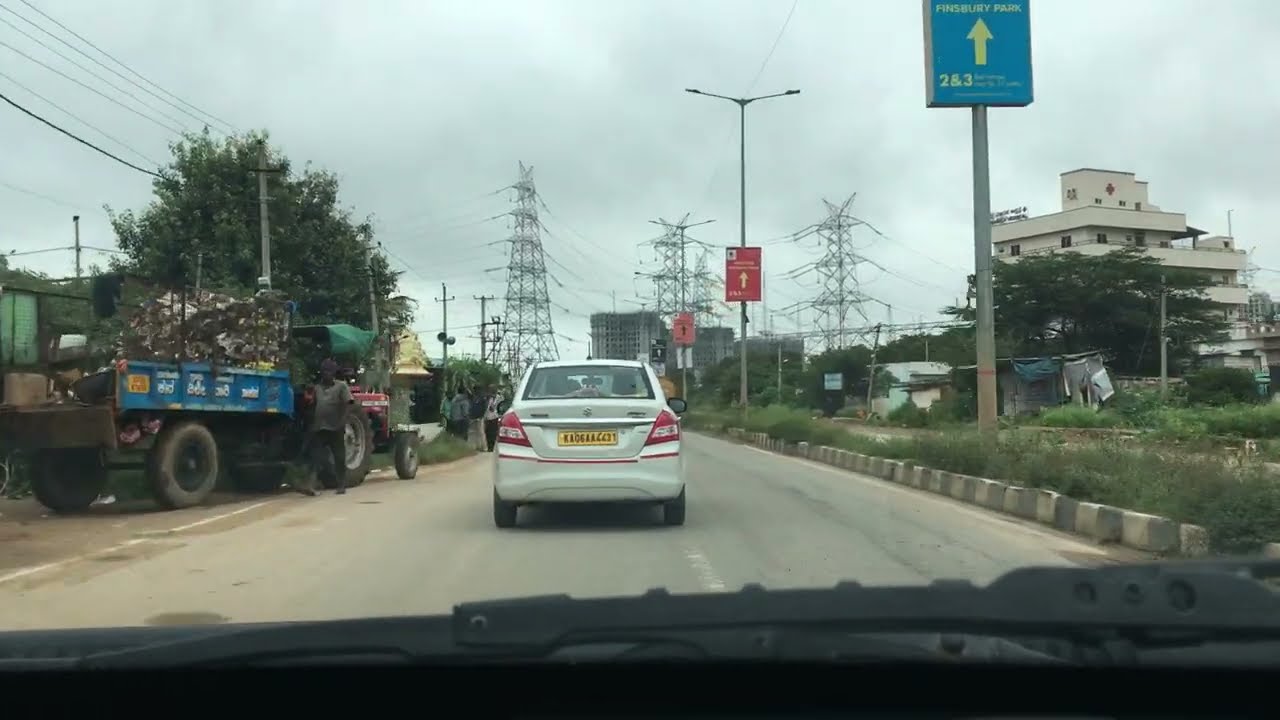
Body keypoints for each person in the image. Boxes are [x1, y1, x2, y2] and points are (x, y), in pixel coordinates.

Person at [307, 358, 355, 495]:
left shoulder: (341, 386)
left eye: (329, 371)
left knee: (339, 457)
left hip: (336, 426)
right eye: (324, 371)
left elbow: (348, 404)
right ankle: (311, 483)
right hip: (320, 427)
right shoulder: (317, 388)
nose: (326, 374)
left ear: (334, 373)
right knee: (316, 456)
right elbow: (312, 404)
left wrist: (343, 421)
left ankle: (341, 485)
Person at [482, 384, 504, 452]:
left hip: (495, 417)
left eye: (493, 389)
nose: (491, 391)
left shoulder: (499, 398)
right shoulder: (488, 398)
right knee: (487, 432)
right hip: (487, 417)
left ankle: (492, 447)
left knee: (493, 433)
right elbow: (486, 407)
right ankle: (489, 447)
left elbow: (497, 407)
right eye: (490, 389)